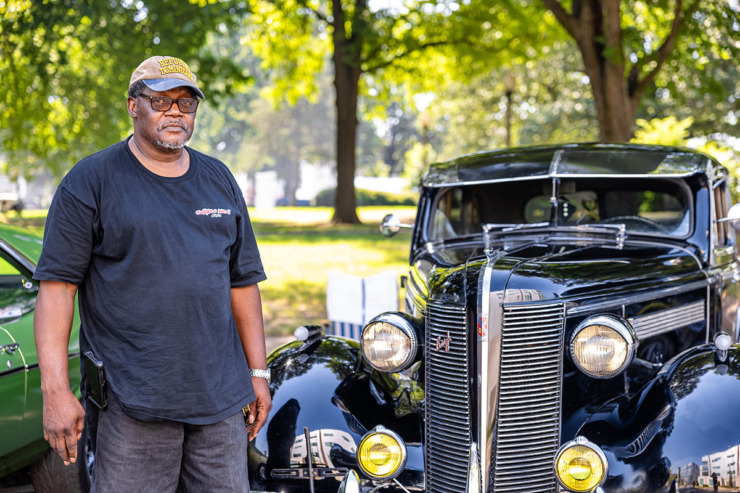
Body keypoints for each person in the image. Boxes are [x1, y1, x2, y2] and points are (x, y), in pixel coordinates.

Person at [33, 55, 272, 492]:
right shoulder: (90, 181)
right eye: (161, 101)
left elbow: (242, 283)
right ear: (133, 105)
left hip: (219, 403)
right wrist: (55, 391)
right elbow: (57, 288)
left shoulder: (219, 179)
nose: (175, 112)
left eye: (186, 103)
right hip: (133, 403)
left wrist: (258, 373)